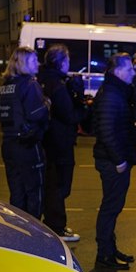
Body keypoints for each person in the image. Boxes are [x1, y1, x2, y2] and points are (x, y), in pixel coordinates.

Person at [90, 52, 136, 269]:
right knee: (110, 207)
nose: (133, 72)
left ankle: (110, 248)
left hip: (114, 159)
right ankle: (104, 254)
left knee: (113, 206)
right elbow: (106, 130)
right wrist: (119, 161)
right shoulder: (111, 95)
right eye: (129, 69)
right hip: (112, 162)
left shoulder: (116, 91)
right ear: (118, 71)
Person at [0, 42, 50, 218]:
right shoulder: (29, 84)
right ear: (24, 63)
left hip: (8, 145)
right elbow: (37, 114)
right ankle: (34, 231)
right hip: (28, 145)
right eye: (34, 61)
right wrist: (47, 104)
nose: (38, 64)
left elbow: (0, 115)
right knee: (35, 191)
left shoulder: (4, 87)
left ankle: (17, 229)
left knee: (17, 192)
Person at [40, 45, 81, 243]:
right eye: (67, 60)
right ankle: (56, 226)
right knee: (60, 186)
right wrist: (80, 103)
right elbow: (69, 115)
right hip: (60, 141)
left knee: (50, 184)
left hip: (46, 140)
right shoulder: (57, 84)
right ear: (61, 62)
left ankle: (51, 223)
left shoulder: (41, 79)